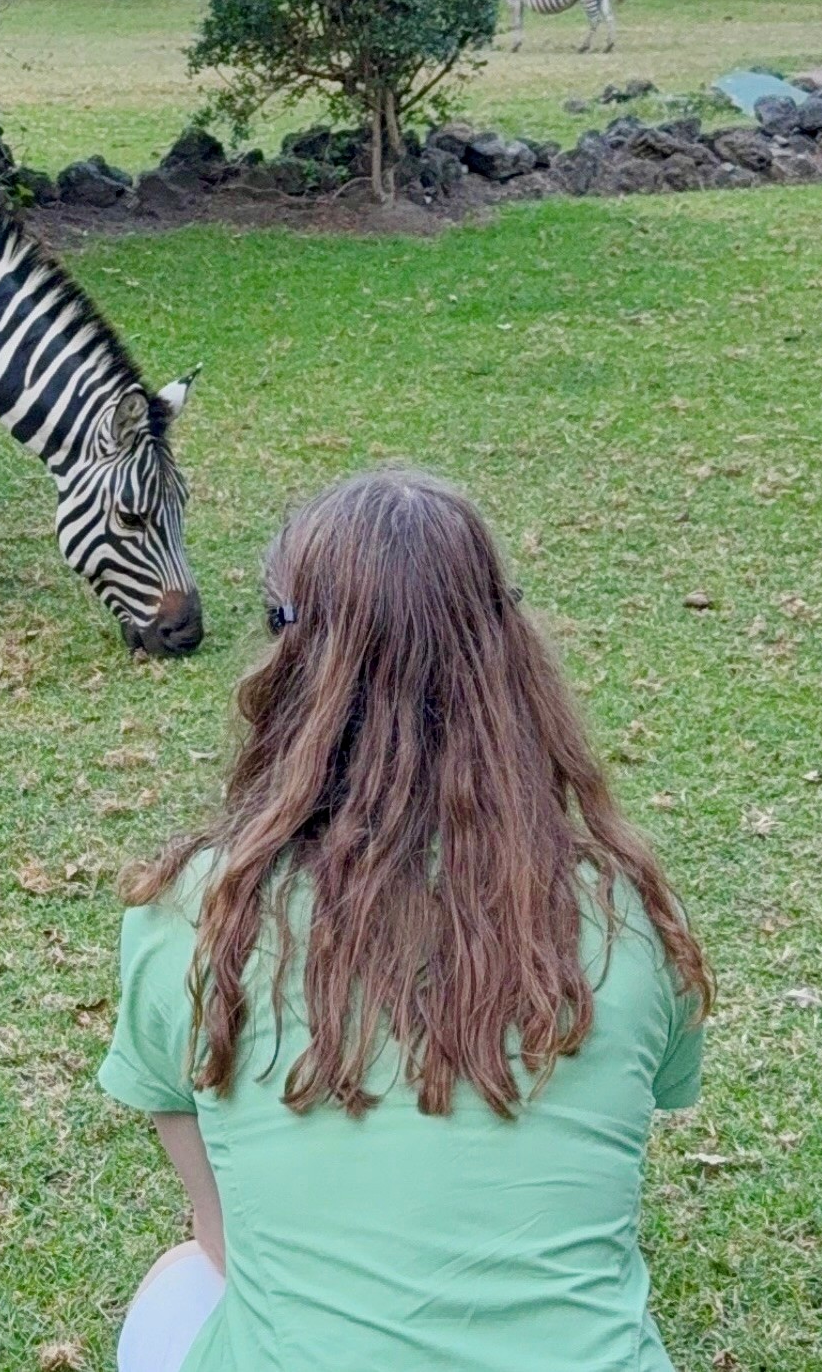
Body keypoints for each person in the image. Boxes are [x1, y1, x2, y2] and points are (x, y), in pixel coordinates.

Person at [99, 468, 713, 1372]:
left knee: (180, 1279)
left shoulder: (193, 914)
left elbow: (228, 1242)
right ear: (509, 651)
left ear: (288, 658)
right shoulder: (626, 914)